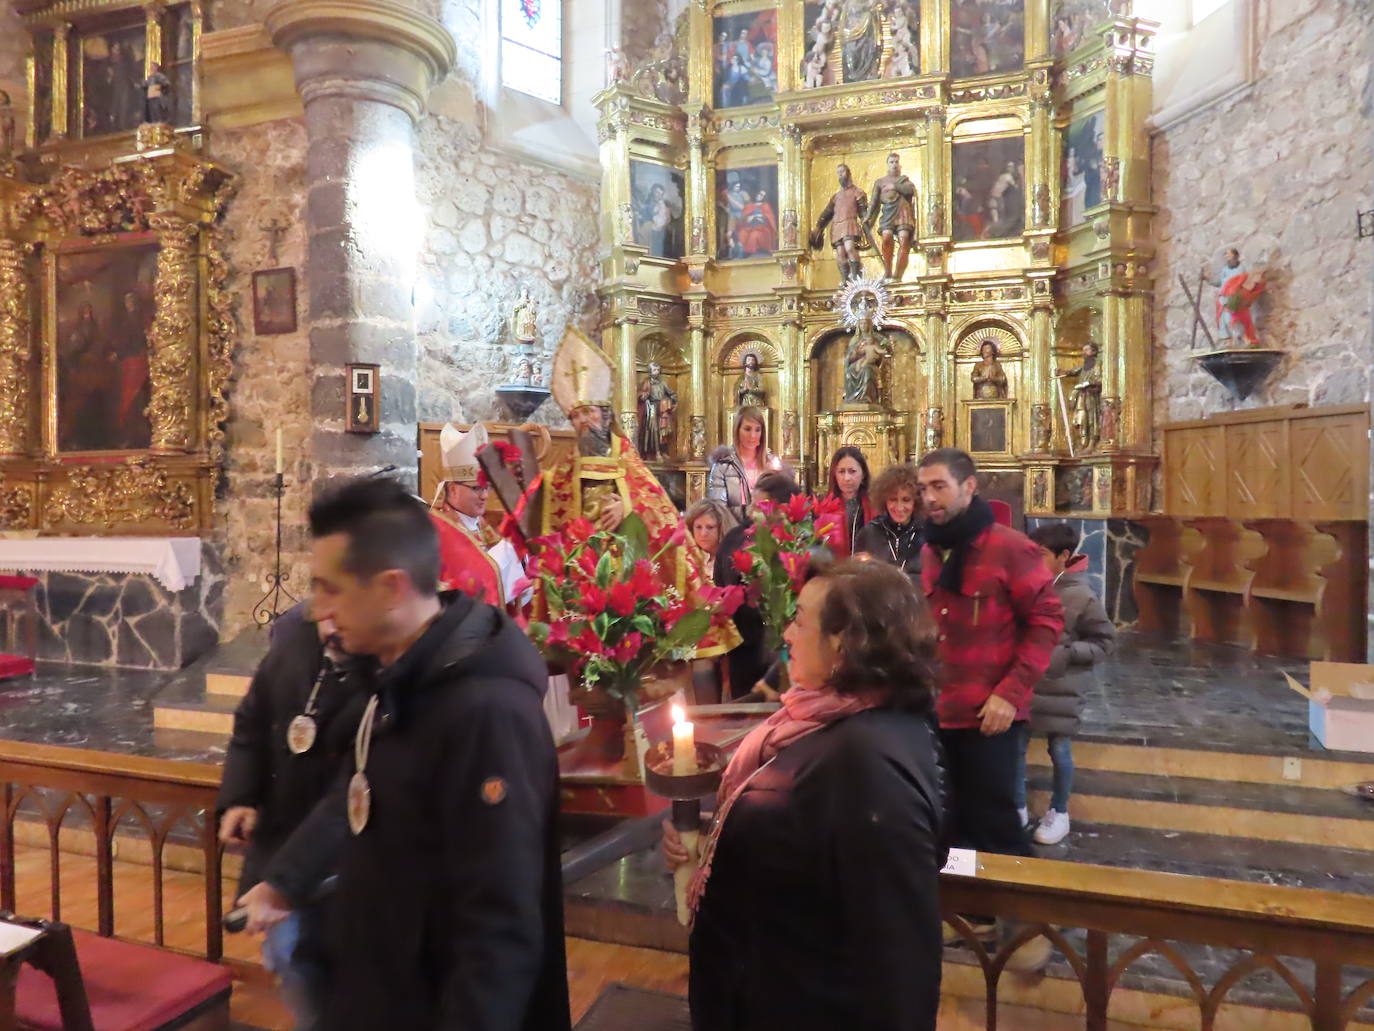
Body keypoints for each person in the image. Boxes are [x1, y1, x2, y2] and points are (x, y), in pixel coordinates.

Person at [258, 475, 571, 1030]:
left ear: (391, 588)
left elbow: (498, 929)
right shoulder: (394, 671)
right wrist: (285, 880)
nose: (315, 610)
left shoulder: (487, 713)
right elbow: (355, 793)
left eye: (331, 588)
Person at [664, 559, 947, 1030]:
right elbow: (792, 843)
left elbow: (898, 958)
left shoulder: (870, 762)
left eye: (799, 620)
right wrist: (711, 841)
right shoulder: (819, 725)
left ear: (843, 641)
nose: (787, 636)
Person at [916, 448, 1062, 943]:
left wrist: (1010, 693)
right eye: (923, 488)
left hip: (991, 712)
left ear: (969, 487)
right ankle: (977, 914)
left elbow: (1046, 622)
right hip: (943, 709)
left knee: (997, 820)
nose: (929, 497)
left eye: (939, 486)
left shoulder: (1011, 548)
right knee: (954, 822)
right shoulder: (935, 548)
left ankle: (1031, 926)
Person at [217, 604, 366, 1030]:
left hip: (351, 856)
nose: (331, 625)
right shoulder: (295, 636)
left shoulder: (393, 661)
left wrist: (281, 885)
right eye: (323, 606)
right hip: (285, 838)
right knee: (287, 957)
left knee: (340, 969)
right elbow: (252, 722)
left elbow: (354, 791)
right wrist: (241, 796)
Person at [1019, 522, 1116, 845]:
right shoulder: (1028, 586)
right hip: (1028, 684)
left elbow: (1104, 643)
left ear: (1063, 556)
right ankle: (1016, 807)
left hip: (1062, 687)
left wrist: (1064, 653)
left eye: (1042, 554)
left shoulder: (1081, 596)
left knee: (1059, 750)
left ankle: (1059, 812)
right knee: (1015, 747)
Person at [715, 471, 803, 698]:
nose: (753, 511)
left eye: (761, 505)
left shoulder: (797, 541)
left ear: (782, 508)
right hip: (743, 644)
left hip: (785, 644)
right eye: (753, 503)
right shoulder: (735, 537)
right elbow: (721, 585)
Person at [430, 421, 520, 603]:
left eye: (487, 488)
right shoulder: (438, 529)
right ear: (453, 490)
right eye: (477, 488)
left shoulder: (481, 523)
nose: (485, 496)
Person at [707, 405, 783, 525]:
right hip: (734, 531)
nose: (753, 435)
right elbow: (718, 508)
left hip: (766, 532)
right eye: (747, 429)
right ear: (737, 430)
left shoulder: (771, 464)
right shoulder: (723, 466)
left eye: (757, 430)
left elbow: (781, 503)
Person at [853, 461, 923, 580]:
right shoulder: (869, 533)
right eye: (893, 500)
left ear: (916, 501)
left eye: (906, 500)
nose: (899, 507)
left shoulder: (926, 533)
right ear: (884, 501)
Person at [824, 445, 874, 558]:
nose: (847, 478)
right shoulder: (825, 507)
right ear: (834, 475)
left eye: (852, 471)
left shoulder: (874, 505)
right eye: (841, 472)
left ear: (863, 475)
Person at [685, 498, 731, 583]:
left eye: (710, 527)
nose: (703, 534)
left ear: (721, 528)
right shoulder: (686, 559)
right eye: (698, 527)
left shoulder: (731, 561)